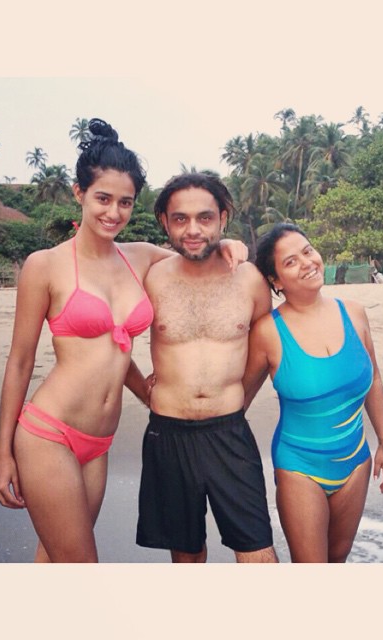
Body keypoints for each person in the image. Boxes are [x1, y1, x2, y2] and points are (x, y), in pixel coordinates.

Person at [0, 120, 246, 562]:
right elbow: (20, 362)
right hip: (49, 433)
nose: (114, 212)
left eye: (125, 202)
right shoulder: (44, 266)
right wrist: (2, 454)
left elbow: (197, 251)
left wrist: (231, 244)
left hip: (98, 443)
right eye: (103, 198)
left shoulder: (141, 257)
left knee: (54, 559)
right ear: (79, 193)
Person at [134, 172, 278, 563]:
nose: (193, 229)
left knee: (257, 552)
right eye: (180, 219)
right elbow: (111, 342)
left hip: (229, 433)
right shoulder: (149, 278)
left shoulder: (250, 280)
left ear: (223, 218)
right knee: (187, 554)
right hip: (167, 435)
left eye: (205, 217)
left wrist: (239, 400)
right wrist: (141, 388)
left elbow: (264, 350)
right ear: (164, 222)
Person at [242, 222, 383, 563]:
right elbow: (238, 401)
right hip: (300, 467)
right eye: (291, 261)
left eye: (308, 251)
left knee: (337, 558)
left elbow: (374, 378)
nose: (307, 263)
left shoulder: (354, 313)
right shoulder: (267, 332)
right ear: (276, 281)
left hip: (356, 462)